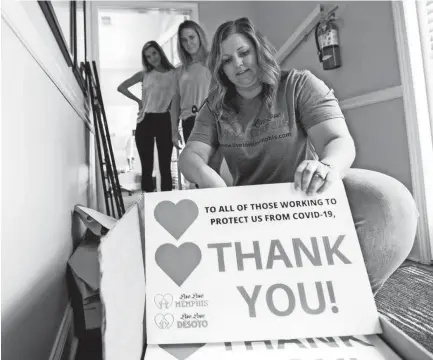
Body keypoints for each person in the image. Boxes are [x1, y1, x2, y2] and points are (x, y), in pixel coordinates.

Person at [178, 17, 418, 295]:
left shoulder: (299, 84)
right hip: (249, 215)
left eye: (244, 53)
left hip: (307, 198)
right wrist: (215, 184)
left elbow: (338, 140)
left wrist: (327, 167)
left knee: (390, 203)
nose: (239, 65)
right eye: (227, 60)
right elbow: (190, 157)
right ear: (220, 68)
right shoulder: (215, 109)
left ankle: (352, 299)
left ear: (259, 50)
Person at [118, 41, 176, 192]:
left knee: (165, 167)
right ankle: (148, 203)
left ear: (160, 52)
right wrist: (138, 101)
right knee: (146, 167)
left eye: (154, 53)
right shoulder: (144, 74)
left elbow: (181, 96)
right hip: (145, 120)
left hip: (165, 119)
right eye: (148, 57)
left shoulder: (175, 73)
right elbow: (121, 87)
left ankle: (167, 203)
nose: (152, 58)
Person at [171, 20, 212, 148]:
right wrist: (173, 131)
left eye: (191, 37)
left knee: (214, 166)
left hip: (211, 121)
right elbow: (175, 103)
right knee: (195, 165)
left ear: (199, 36)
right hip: (189, 122)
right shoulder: (179, 71)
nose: (188, 43)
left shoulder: (213, 61)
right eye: (184, 40)